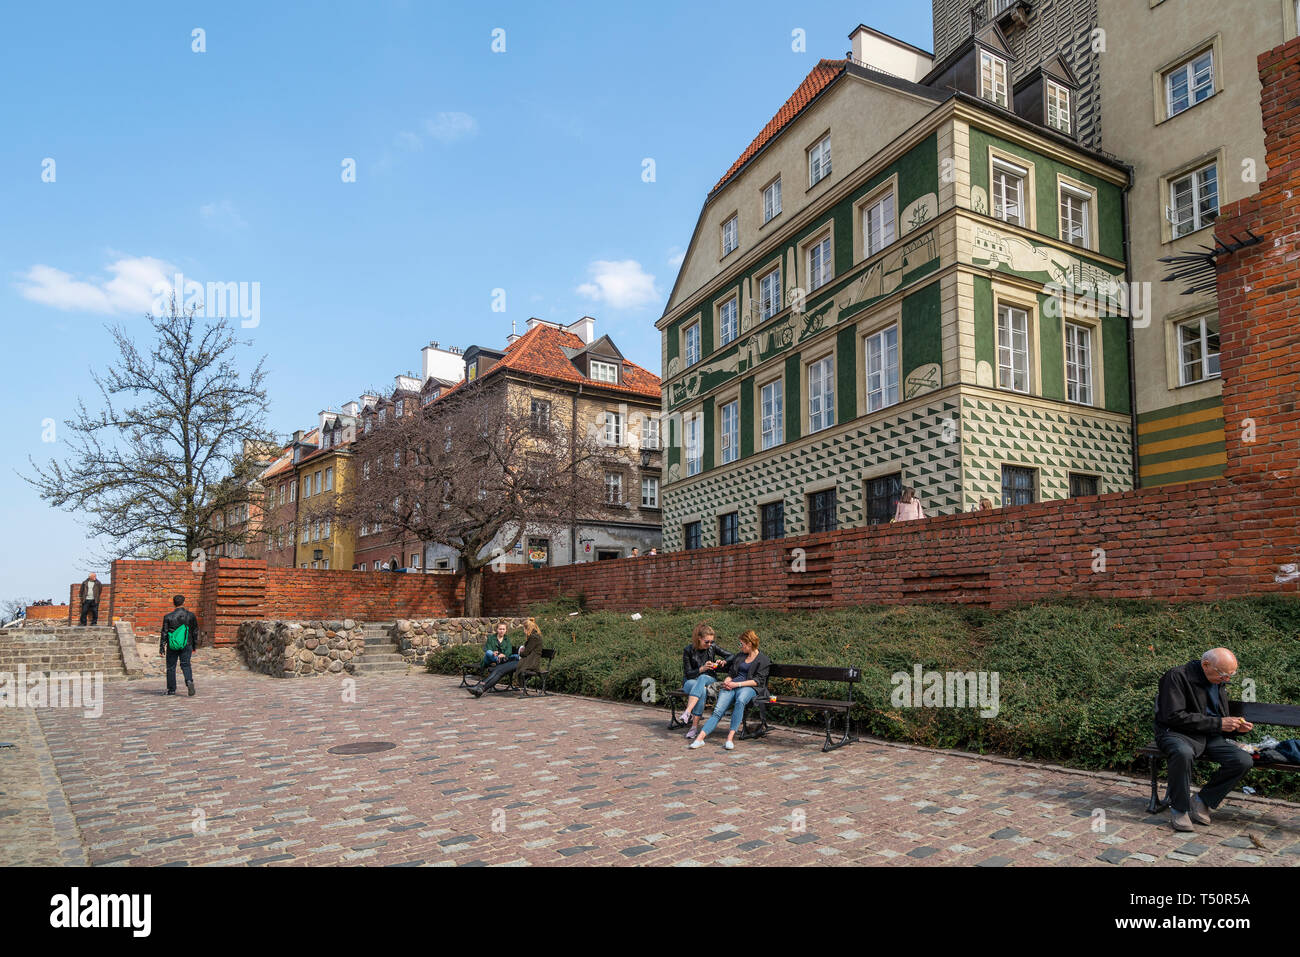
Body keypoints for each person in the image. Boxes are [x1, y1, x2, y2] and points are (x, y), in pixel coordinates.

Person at [1154, 648, 1254, 832]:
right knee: (1182, 753)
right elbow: (1173, 716)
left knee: (1243, 760)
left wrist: (1236, 728)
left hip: (1209, 735)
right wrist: (1218, 724)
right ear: (1206, 665)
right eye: (1224, 675)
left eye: (1231, 675)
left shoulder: (1217, 679)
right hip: (1177, 733)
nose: (1227, 680)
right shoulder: (1176, 676)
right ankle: (1179, 808)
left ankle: (1203, 800)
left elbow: (1218, 716)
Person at [690, 630, 770, 751]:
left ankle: (729, 739)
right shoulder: (740, 656)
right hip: (732, 685)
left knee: (741, 700)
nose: (740, 646)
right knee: (718, 710)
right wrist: (727, 681)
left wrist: (736, 684)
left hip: (750, 687)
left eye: (741, 644)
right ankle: (700, 739)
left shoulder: (763, 660)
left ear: (749, 644)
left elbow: (757, 681)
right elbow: (731, 673)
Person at [677, 623, 728, 739]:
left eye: (711, 641)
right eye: (707, 642)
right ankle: (694, 727)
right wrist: (702, 669)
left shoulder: (712, 647)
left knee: (703, 678)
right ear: (699, 638)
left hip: (709, 679)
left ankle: (687, 712)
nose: (709, 644)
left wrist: (723, 662)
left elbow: (731, 656)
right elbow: (688, 673)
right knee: (702, 690)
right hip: (690, 681)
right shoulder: (688, 650)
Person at [468, 618, 542, 697]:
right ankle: (480, 687)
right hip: (523, 662)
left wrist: (521, 651)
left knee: (500, 670)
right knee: (498, 669)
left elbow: (525, 653)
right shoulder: (534, 636)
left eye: (524, 628)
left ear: (527, 628)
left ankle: (481, 688)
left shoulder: (534, 637)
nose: (523, 630)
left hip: (528, 664)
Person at [160, 594, 199, 697]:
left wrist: (162, 647)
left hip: (172, 645)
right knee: (186, 664)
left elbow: (164, 632)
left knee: (171, 667)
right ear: (183, 602)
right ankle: (189, 681)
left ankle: (171, 689)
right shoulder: (191, 616)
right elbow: (195, 631)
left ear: (173, 603)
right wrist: (194, 646)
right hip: (187, 643)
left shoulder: (168, 617)